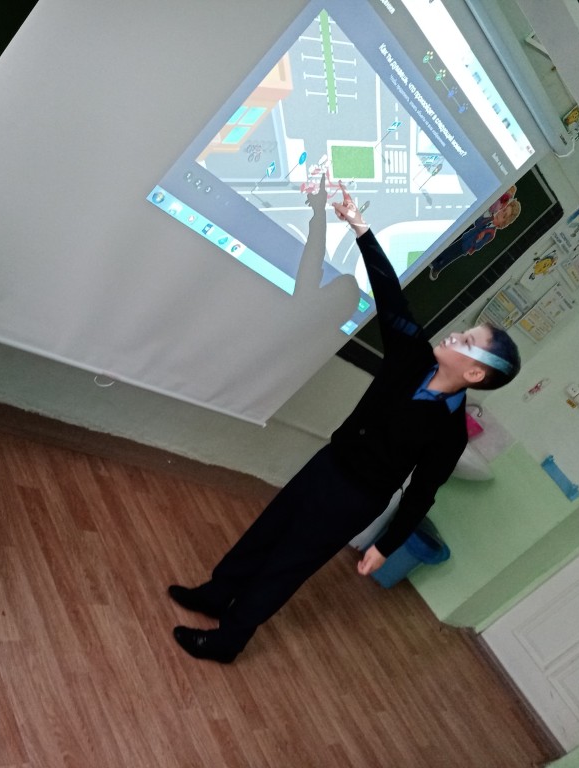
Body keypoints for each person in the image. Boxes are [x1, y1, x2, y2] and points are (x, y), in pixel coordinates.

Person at [169, 182, 521, 663]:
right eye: (465, 330)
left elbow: (421, 493)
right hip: (329, 463)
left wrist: (387, 546)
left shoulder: (450, 432)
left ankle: (230, 638)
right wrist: (361, 228)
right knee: (268, 530)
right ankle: (216, 593)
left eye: (469, 342)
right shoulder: (411, 355)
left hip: (355, 499)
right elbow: (391, 296)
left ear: (476, 374)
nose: (457, 334)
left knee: (288, 563)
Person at [428, 186, 521, 279]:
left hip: (466, 246)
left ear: (503, 223)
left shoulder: (491, 233)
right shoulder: (489, 218)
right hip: (465, 237)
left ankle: (437, 267)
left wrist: (478, 239)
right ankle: (435, 261)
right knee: (449, 250)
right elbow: (478, 222)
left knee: (450, 256)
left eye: (504, 216)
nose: (500, 214)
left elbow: (479, 245)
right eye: (503, 210)